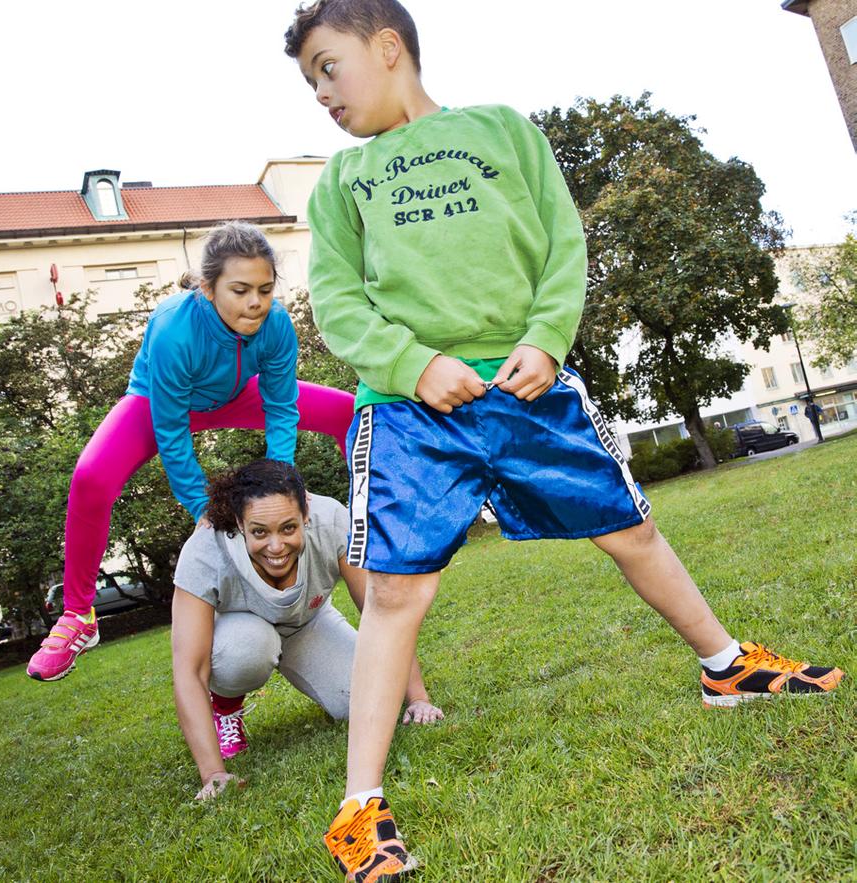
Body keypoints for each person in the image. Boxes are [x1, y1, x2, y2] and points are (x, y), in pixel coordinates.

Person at [283, 2, 846, 880]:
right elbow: (340, 303)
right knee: (394, 597)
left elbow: (563, 246)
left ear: (387, 46)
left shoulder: (503, 129)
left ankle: (725, 666)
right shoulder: (341, 182)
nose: (320, 92)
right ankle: (358, 808)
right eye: (308, 80)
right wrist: (412, 362)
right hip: (407, 411)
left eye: (327, 66)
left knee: (630, 528)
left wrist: (547, 338)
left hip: (527, 387)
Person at [27, 221, 356, 685]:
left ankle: (373, 526)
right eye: (240, 290)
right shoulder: (173, 330)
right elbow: (172, 433)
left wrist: (283, 485)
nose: (255, 302)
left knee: (349, 411)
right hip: (161, 402)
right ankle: (78, 616)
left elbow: (282, 406)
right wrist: (205, 508)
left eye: (264, 289)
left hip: (238, 393)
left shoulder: (276, 324)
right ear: (207, 287)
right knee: (91, 476)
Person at [171, 459, 442, 801]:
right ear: (240, 524)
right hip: (239, 633)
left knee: (356, 701)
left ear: (306, 515)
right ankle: (225, 707)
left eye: (288, 528)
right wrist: (213, 774)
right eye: (259, 532)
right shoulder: (205, 551)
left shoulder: (332, 521)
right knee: (248, 648)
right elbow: (189, 670)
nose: (275, 546)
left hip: (307, 623)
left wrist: (418, 698)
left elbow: (382, 613)